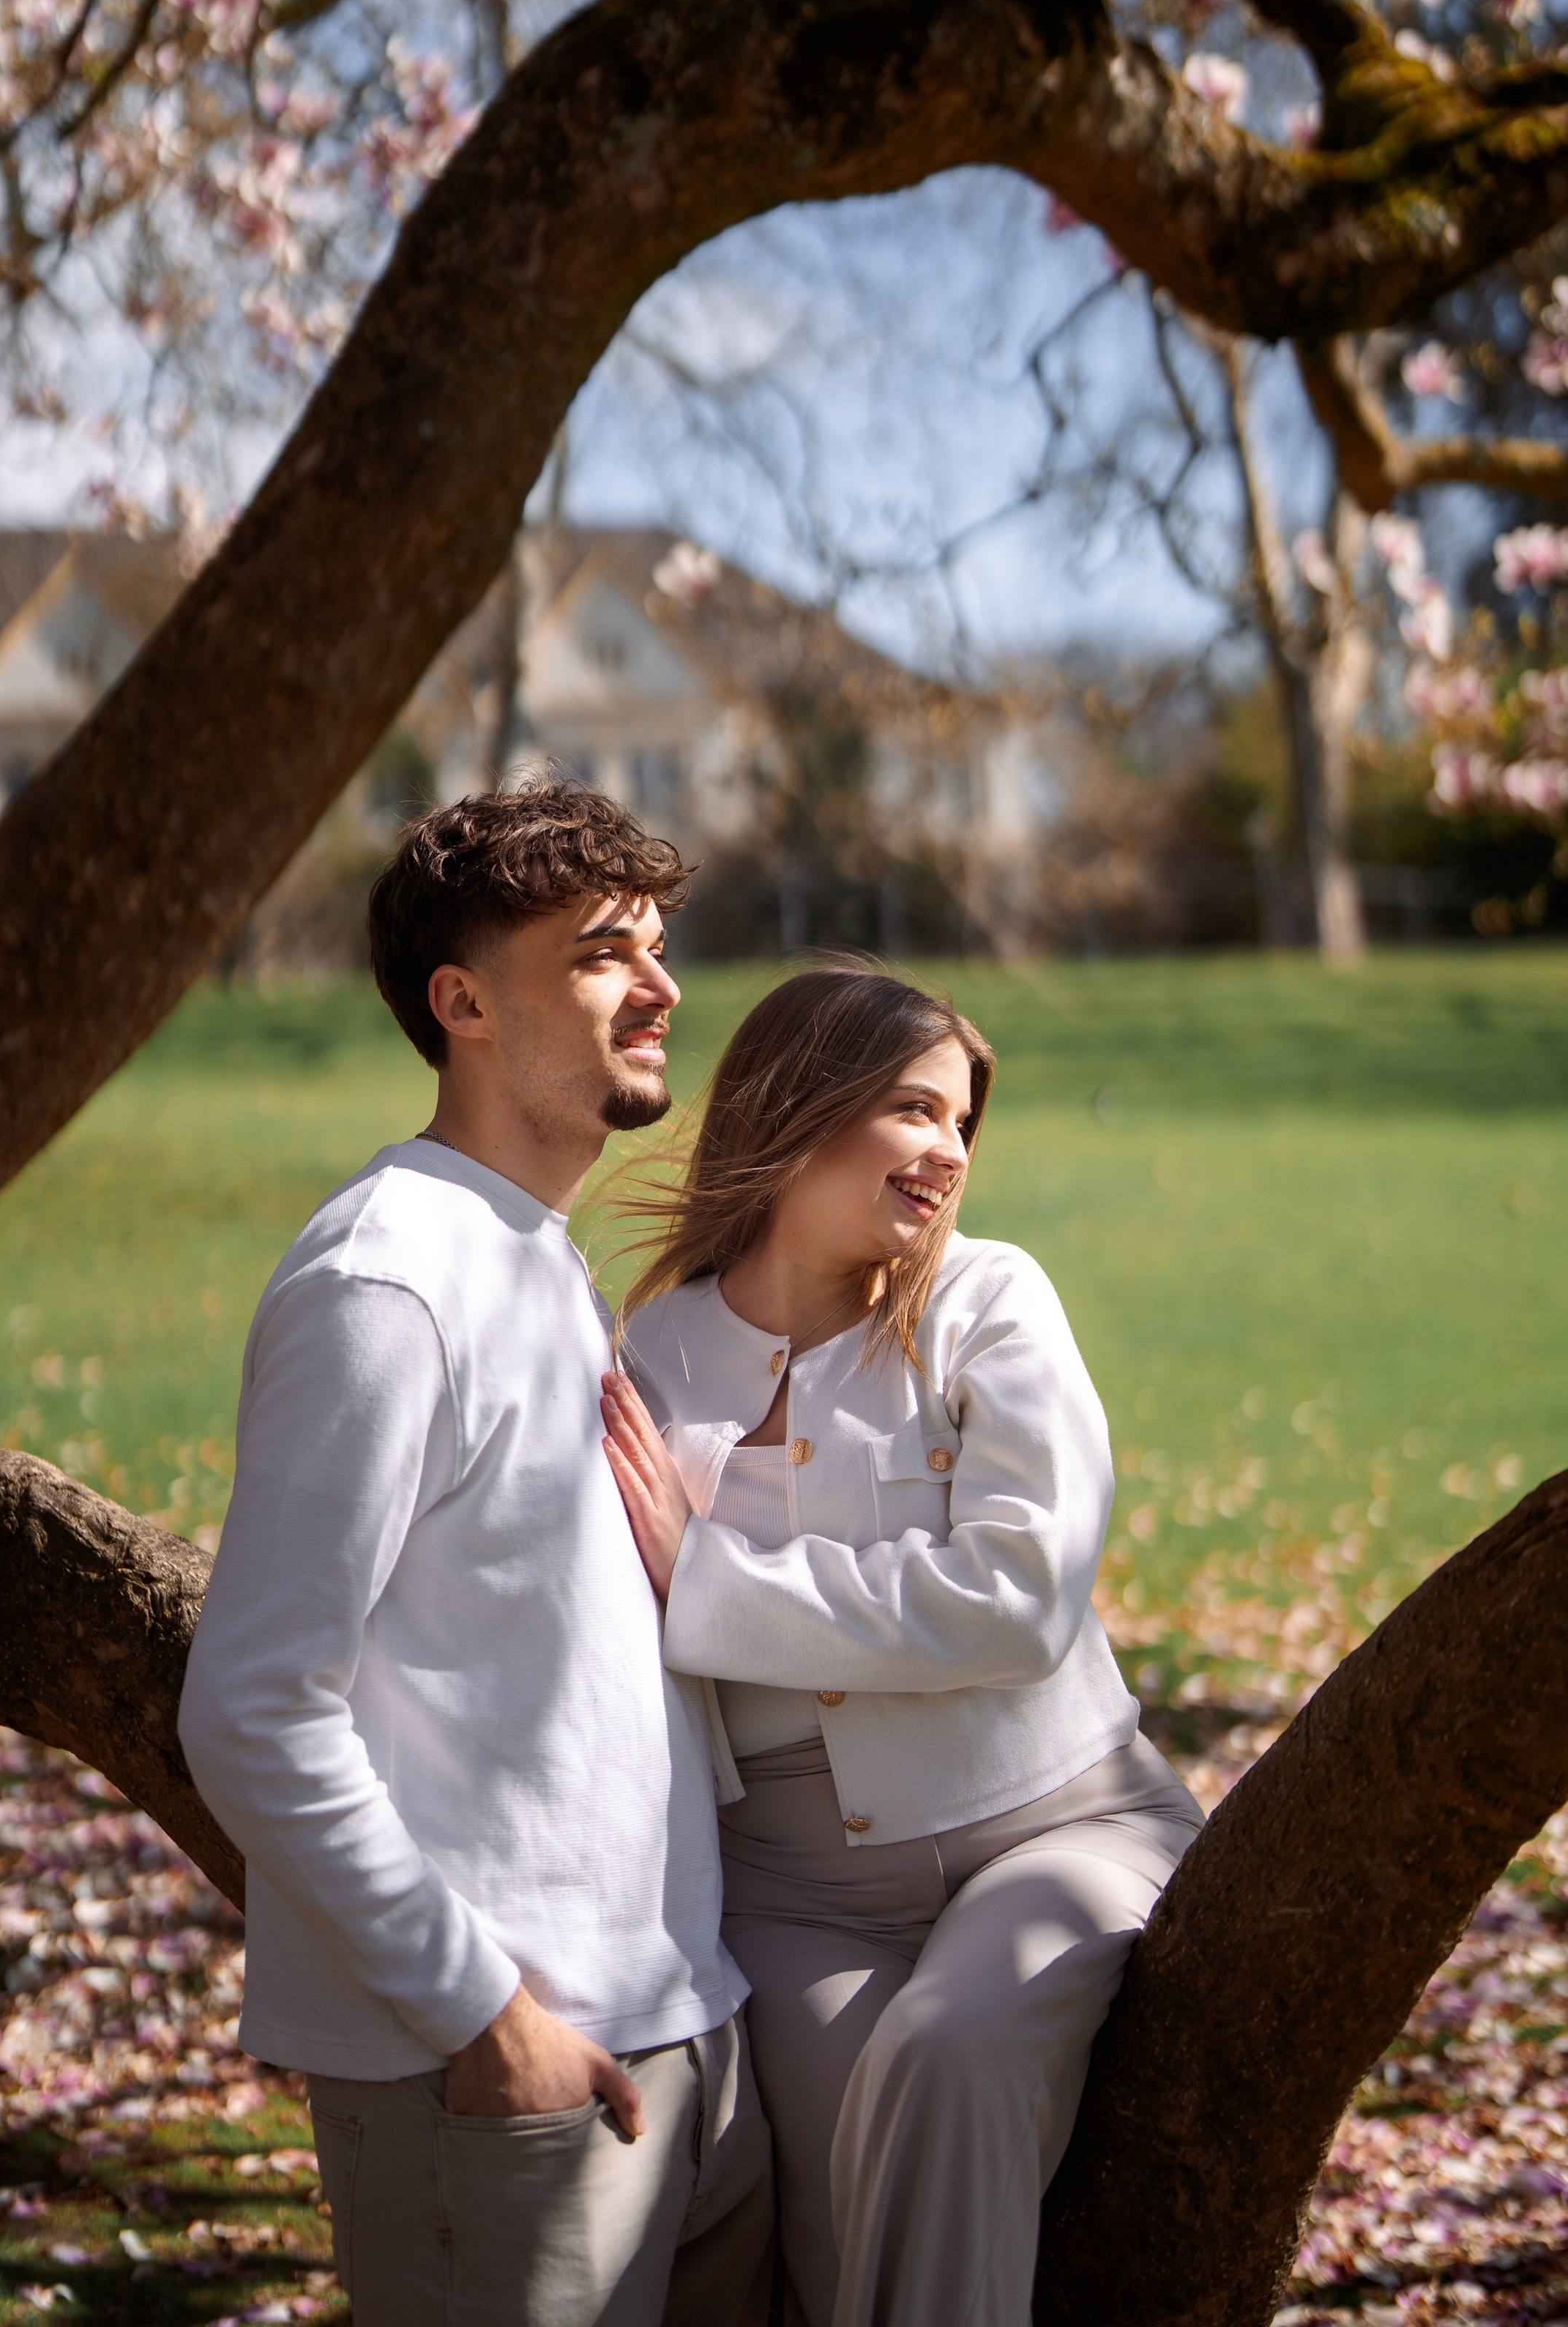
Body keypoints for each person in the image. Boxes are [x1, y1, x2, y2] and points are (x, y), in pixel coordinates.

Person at [179, 781, 773, 2327]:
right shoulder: (387, 1280)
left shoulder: (535, 1258)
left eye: (655, 946)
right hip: (504, 2083)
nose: (658, 988)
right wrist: (483, 2015)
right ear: (464, 1006)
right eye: (599, 955)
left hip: (681, 2041)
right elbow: (251, 1707)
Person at [600, 959, 1203, 2327]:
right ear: (800, 1107)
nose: (951, 1155)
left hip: (1058, 1831)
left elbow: (1022, 1596)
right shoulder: (650, 1354)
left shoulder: (992, 1302)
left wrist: (709, 1575)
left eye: (963, 1126)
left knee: (946, 2054)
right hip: (790, 1891)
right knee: (835, 2238)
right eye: (919, 1112)